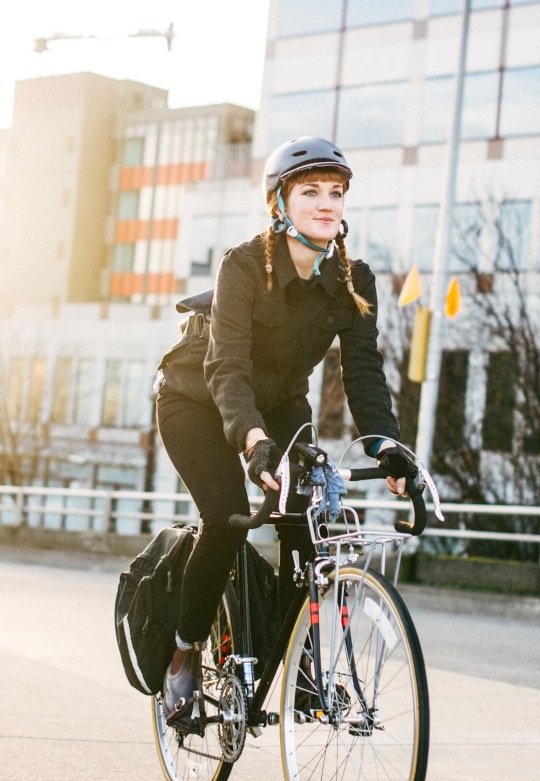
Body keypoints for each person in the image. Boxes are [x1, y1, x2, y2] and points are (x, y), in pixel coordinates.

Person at [153, 136, 418, 722]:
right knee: (225, 521)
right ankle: (183, 653)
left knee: (307, 524)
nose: (327, 203)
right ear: (280, 201)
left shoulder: (354, 281)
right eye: (310, 191)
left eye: (337, 192)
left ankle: (301, 672)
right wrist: (251, 441)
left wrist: (386, 445)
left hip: (279, 405)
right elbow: (227, 367)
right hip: (196, 399)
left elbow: (365, 373)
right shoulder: (243, 266)